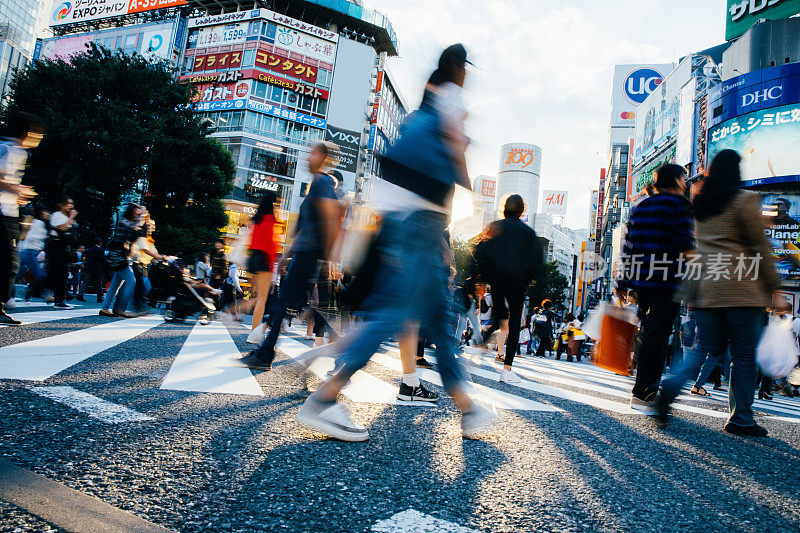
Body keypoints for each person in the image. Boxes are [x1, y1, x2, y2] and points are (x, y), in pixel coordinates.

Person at [293, 44, 496, 441]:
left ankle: (466, 407)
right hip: (422, 220)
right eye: (465, 67)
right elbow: (455, 147)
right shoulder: (449, 97)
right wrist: (472, 190)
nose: (467, 75)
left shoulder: (423, 106)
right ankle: (324, 399)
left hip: (406, 217)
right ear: (456, 66)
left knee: (438, 312)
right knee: (395, 312)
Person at [656, 150, 788, 436]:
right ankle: (741, 418)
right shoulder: (745, 201)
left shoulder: (700, 203)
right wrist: (775, 288)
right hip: (743, 288)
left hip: (706, 286)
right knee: (742, 356)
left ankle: (669, 386)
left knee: (702, 348)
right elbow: (760, 249)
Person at [239, 142, 342, 369]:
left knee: (288, 301)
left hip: (311, 254)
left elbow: (331, 218)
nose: (308, 157)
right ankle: (344, 355)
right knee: (311, 306)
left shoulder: (323, 182)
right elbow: (306, 228)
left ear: (323, 157)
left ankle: (265, 354)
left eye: (313, 153)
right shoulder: (316, 184)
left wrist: (326, 257)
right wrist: (287, 255)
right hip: (305, 253)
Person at [617, 163, 694, 413]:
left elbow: (629, 248)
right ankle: (644, 393)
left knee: (649, 333)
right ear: (676, 180)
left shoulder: (640, 206)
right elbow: (685, 244)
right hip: (667, 279)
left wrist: (622, 283)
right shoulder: (679, 205)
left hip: (642, 282)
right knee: (657, 337)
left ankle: (642, 390)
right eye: (684, 177)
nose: (686, 182)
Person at [472, 194, 541, 382]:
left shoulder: (495, 227)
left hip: (496, 279)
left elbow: (480, 252)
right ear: (522, 210)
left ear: (504, 208)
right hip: (518, 281)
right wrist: (535, 284)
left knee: (500, 314)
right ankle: (507, 368)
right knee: (514, 322)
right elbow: (537, 262)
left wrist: (479, 279)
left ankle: (484, 340)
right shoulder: (528, 233)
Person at [0, 112, 42, 324]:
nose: (38, 138)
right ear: (27, 133)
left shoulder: (15, 150)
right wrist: (18, 190)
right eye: (37, 133)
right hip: (2, 214)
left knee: (9, 261)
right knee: (10, 262)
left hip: (8, 212)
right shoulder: (9, 149)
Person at [100, 203, 146, 318]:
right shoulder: (124, 222)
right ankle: (121, 308)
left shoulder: (130, 223)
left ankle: (105, 308)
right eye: (137, 210)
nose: (139, 212)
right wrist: (140, 220)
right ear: (131, 211)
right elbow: (131, 230)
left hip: (123, 258)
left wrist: (144, 222)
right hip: (119, 257)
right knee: (131, 282)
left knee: (115, 285)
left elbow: (137, 235)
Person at [246, 191, 279, 344]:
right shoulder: (270, 218)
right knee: (262, 299)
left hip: (254, 258)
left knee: (257, 296)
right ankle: (254, 332)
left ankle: (231, 310)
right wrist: (273, 268)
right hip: (264, 259)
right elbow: (271, 246)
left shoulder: (257, 218)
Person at [47, 196, 78, 309]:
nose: (71, 206)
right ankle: (58, 299)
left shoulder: (65, 217)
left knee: (62, 274)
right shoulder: (57, 215)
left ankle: (60, 297)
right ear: (61, 205)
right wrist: (71, 217)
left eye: (72, 203)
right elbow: (63, 228)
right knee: (58, 274)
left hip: (64, 248)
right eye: (68, 203)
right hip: (56, 248)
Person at [130, 216, 166, 312]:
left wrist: (159, 257)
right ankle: (136, 306)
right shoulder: (142, 238)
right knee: (144, 286)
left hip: (145, 266)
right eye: (150, 225)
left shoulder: (149, 240)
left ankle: (137, 306)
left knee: (143, 286)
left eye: (153, 225)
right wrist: (158, 257)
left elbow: (153, 252)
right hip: (138, 264)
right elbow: (146, 250)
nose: (152, 227)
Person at [19, 205, 49, 301]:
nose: (48, 214)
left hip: (29, 250)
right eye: (46, 212)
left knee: (19, 272)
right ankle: (45, 294)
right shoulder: (38, 223)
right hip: (30, 250)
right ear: (41, 212)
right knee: (39, 273)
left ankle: (32, 291)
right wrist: (45, 235)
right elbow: (32, 237)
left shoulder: (37, 222)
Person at [78, 237, 105, 303]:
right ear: (99, 243)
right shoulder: (100, 250)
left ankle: (80, 295)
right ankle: (99, 297)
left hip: (88, 268)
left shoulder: (88, 250)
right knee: (98, 284)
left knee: (85, 282)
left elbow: (85, 258)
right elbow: (103, 260)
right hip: (97, 269)